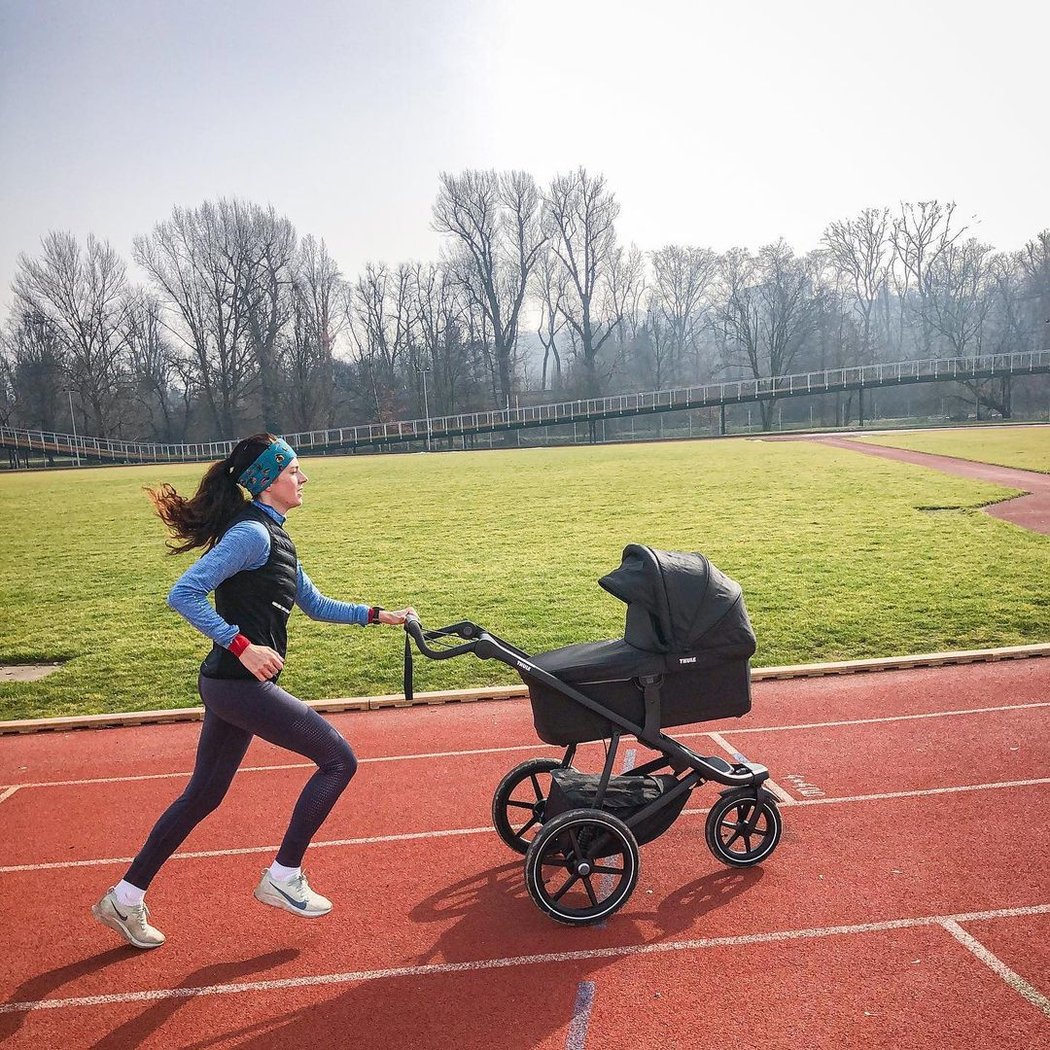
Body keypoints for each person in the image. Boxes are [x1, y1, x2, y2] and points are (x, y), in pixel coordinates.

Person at [92, 433, 414, 949]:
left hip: (230, 686)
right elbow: (185, 594)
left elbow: (315, 604)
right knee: (338, 760)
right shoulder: (253, 536)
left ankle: (124, 899)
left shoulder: (276, 538)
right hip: (237, 683)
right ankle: (284, 875)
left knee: (203, 795)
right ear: (267, 481)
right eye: (293, 471)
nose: (303, 479)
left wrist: (382, 616)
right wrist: (242, 644)